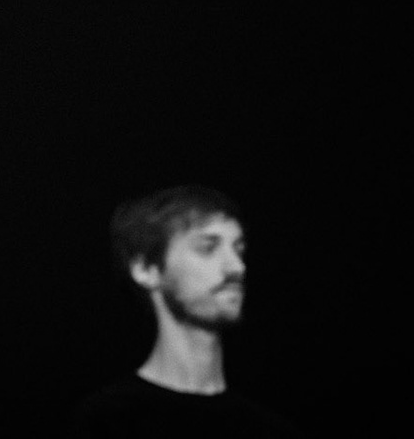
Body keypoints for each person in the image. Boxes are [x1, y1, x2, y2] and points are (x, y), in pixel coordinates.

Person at [64, 185, 301, 438]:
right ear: (146, 269)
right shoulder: (107, 422)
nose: (237, 267)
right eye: (208, 247)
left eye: (239, 249)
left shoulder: (272, 429)